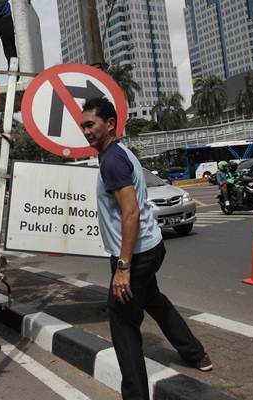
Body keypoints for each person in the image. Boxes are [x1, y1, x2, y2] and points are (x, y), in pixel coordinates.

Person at [80, 97, 211, 400]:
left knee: (123, 326)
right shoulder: (118, 152)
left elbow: (131, 212)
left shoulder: (112, 160)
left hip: (135, 256)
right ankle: (196, 354)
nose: (86, 131)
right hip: (149, 248)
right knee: (153, 300)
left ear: (109, 123)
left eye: (91, 124)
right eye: (83, 126)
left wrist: (123, 268)